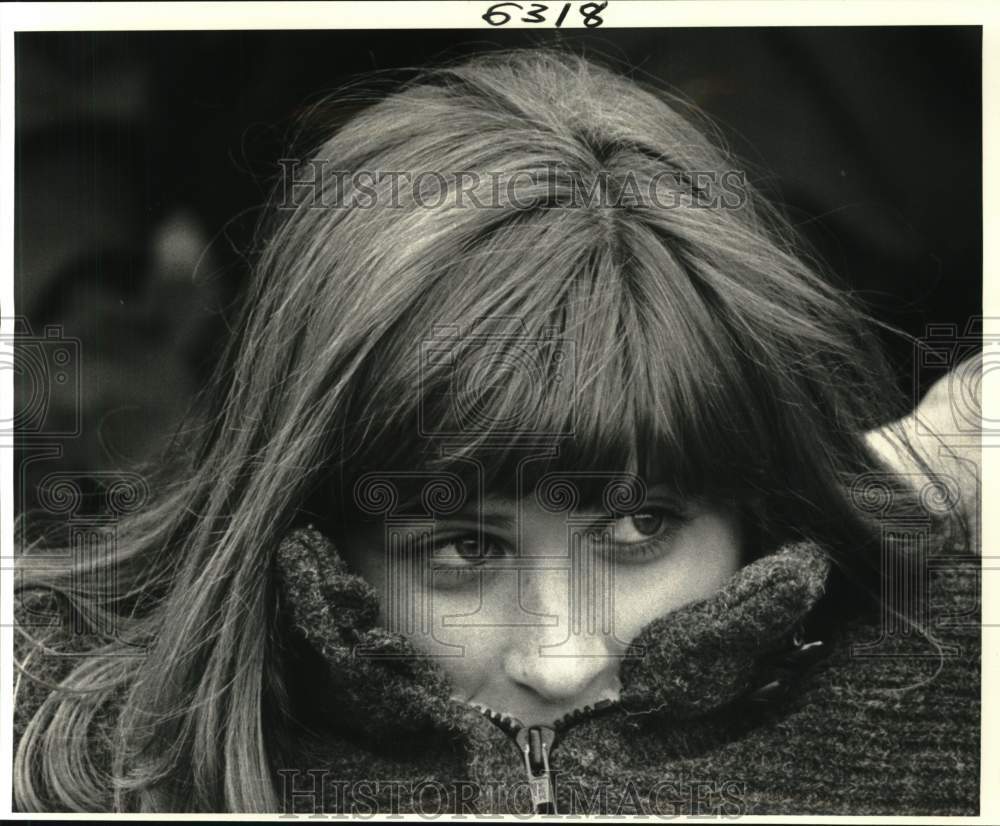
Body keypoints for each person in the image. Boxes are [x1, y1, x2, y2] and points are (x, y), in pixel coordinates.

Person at [13, 48, 980, 815]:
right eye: (464, 547)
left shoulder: (945, 696)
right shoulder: (80, 759)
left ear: (761, 516)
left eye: (639, 528)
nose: (558, 660)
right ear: (302, 545)